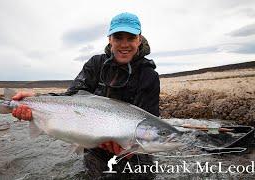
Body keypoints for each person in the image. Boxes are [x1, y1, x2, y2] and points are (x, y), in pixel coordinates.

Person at [12, 12, 159, 179]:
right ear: (110, 39)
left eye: (130, 38)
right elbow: (70, 98)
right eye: (118, 37)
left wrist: (133, 148)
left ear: (139, 39)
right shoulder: (95, 64)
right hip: (94, 146)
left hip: (134, 150)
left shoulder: (149, 76)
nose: (124, 44)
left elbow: (150, 121)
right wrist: (34, 99)